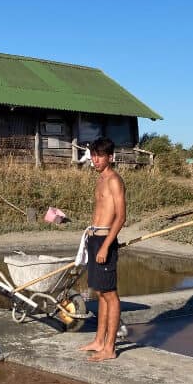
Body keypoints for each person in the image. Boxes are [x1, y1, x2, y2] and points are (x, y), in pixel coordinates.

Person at [78, 136, 126, 361]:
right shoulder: (99, 179)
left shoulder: (114, 180)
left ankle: (110, 348)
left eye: (100, 156)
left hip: (105, 240)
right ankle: (99, 341)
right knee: (100, 292)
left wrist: (106, 246)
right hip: (94, 238)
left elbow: (120, 217)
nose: (95, 160)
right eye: (93, 155)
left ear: (110, 157)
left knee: (111, 295)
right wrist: (93, 241)